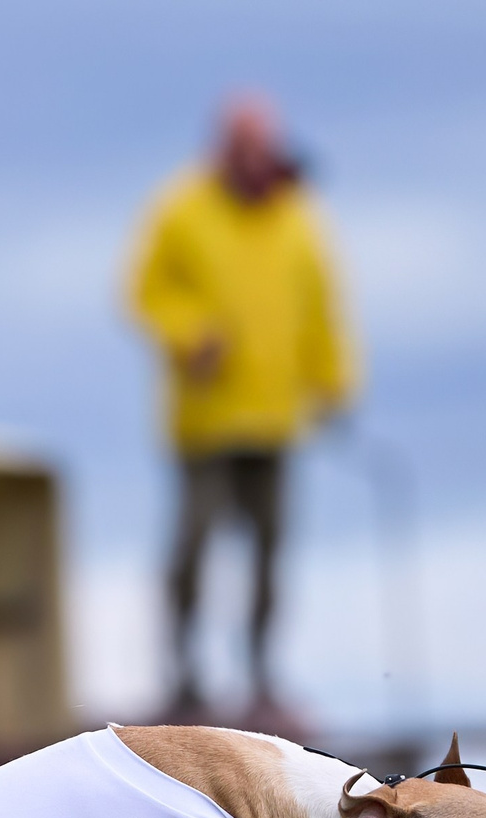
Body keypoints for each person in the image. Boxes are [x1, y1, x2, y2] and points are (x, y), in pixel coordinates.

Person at [128, 94, 358, 724]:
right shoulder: (180, 209)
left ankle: (260, 674)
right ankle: (184, 676)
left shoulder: (299, 218)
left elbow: (322, 308)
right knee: (195, 546)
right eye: (248, 148)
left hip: (276, 415)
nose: (261, 162)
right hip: (204, 419)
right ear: (224, 150)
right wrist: (190, 335)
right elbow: (145, 290)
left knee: (270, 549)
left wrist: (333, 381)